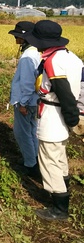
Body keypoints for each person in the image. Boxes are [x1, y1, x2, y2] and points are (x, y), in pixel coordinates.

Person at [23, 20, 82, 221]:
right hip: (62, 116)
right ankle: (64, 189)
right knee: (59, 156)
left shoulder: (52, 61)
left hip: (53, 115)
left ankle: (59, 207)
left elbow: (63, 92)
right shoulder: (71, 57)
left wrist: (73, 118)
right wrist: (76, 116)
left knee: (49, 160)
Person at [8, 21, 41, 177]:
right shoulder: (36, 52)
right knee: (32, 131)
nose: (15, 39)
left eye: (18, 36)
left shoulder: (28, 56)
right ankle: (35, 159)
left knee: (22, 133)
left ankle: (30, 165)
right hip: (35, 101)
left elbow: (27, 84)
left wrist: (22, 103)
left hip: (26, 101)